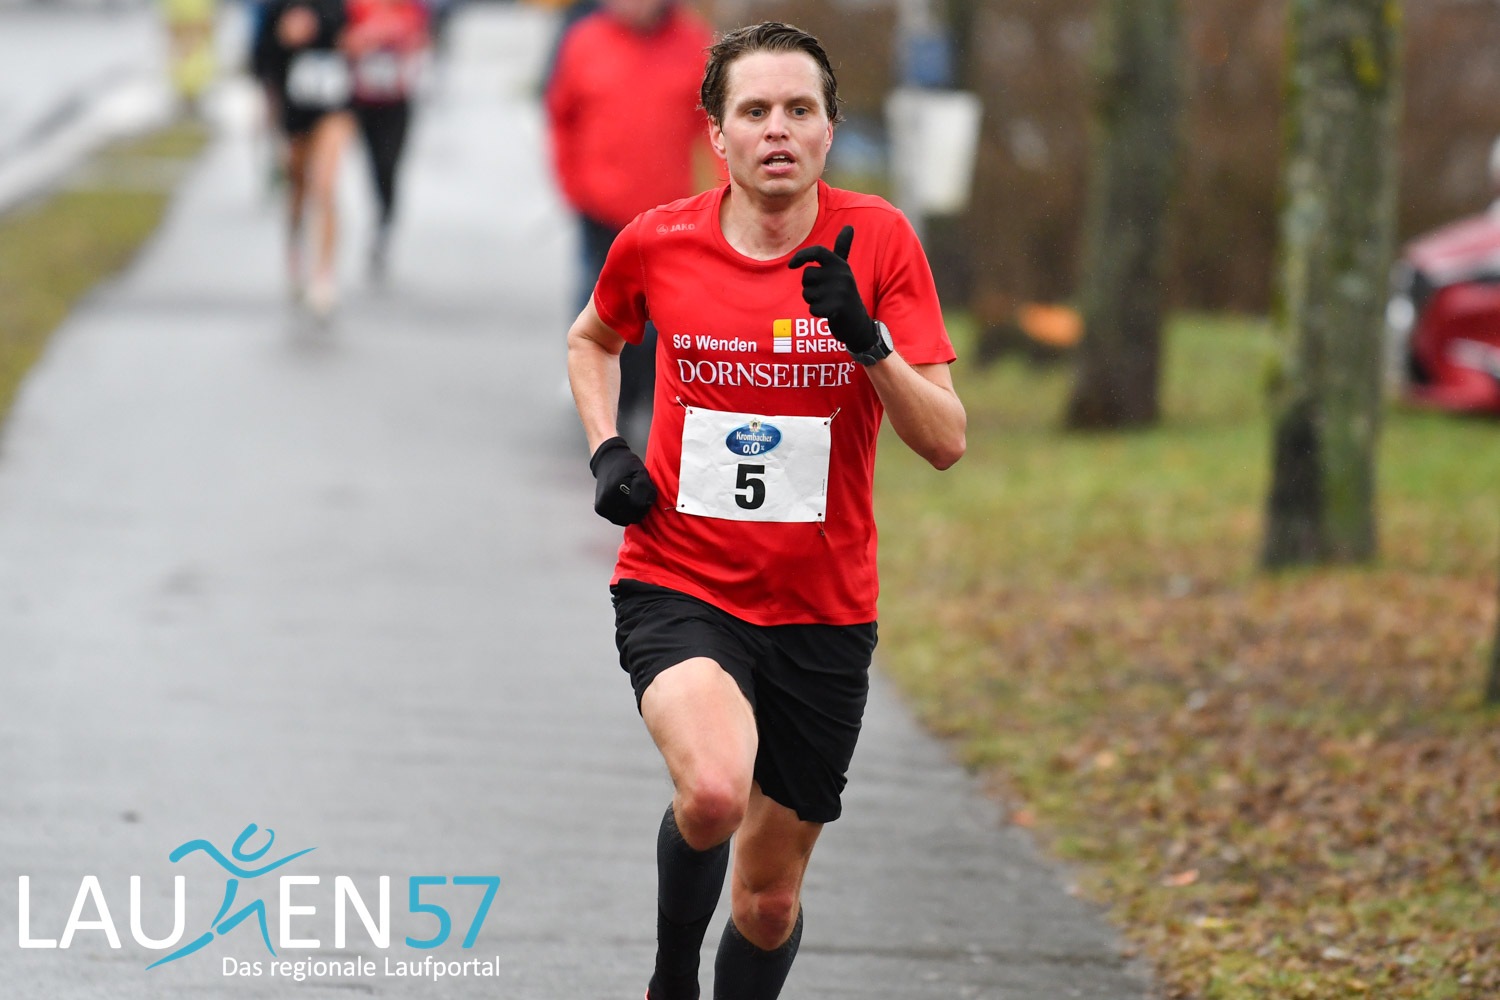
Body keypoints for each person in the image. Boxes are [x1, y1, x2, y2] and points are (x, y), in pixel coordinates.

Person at [565, 21, 966, 1000]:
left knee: (769, 900)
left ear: (830, 129)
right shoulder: (659, 242)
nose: (777, 129)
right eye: (754, 111)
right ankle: (671, 978)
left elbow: (946, 439)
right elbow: (592, 339)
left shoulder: (880, 241)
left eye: (799, 109)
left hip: (823, 611)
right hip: (681, 579)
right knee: (712, 790)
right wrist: (608, 447)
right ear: (718, 134)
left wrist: (868, 341)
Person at [544, 0, 716, 448]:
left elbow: (714, 128)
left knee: (656, 318)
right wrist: (569, 182)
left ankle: (637, 398)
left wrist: (728, 197)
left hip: (665, 214)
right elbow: (561, 116)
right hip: (599, 208)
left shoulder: (693, 45)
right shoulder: (585, 41)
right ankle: (598, 401)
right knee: (596, 301)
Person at [253, 0, 356, 317]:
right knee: (298, 186)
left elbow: (355, 35)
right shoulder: (276, 7)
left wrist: (327, 33)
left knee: (325, 186)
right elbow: (260, 58)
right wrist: (284, 38)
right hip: (295, 107)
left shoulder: (341, 6)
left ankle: (324, 276)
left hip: (334, 105)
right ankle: (295, 247)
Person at [343, 0, 429, 278]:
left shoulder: (411, 8)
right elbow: (345, 42)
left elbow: (422, 41)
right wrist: (367, 39)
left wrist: (395, 39)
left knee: (389, 164)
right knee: (373, 165)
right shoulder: (358, 6)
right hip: (365, 100)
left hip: (397, 101)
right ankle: (378, 214)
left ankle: (385, 222)